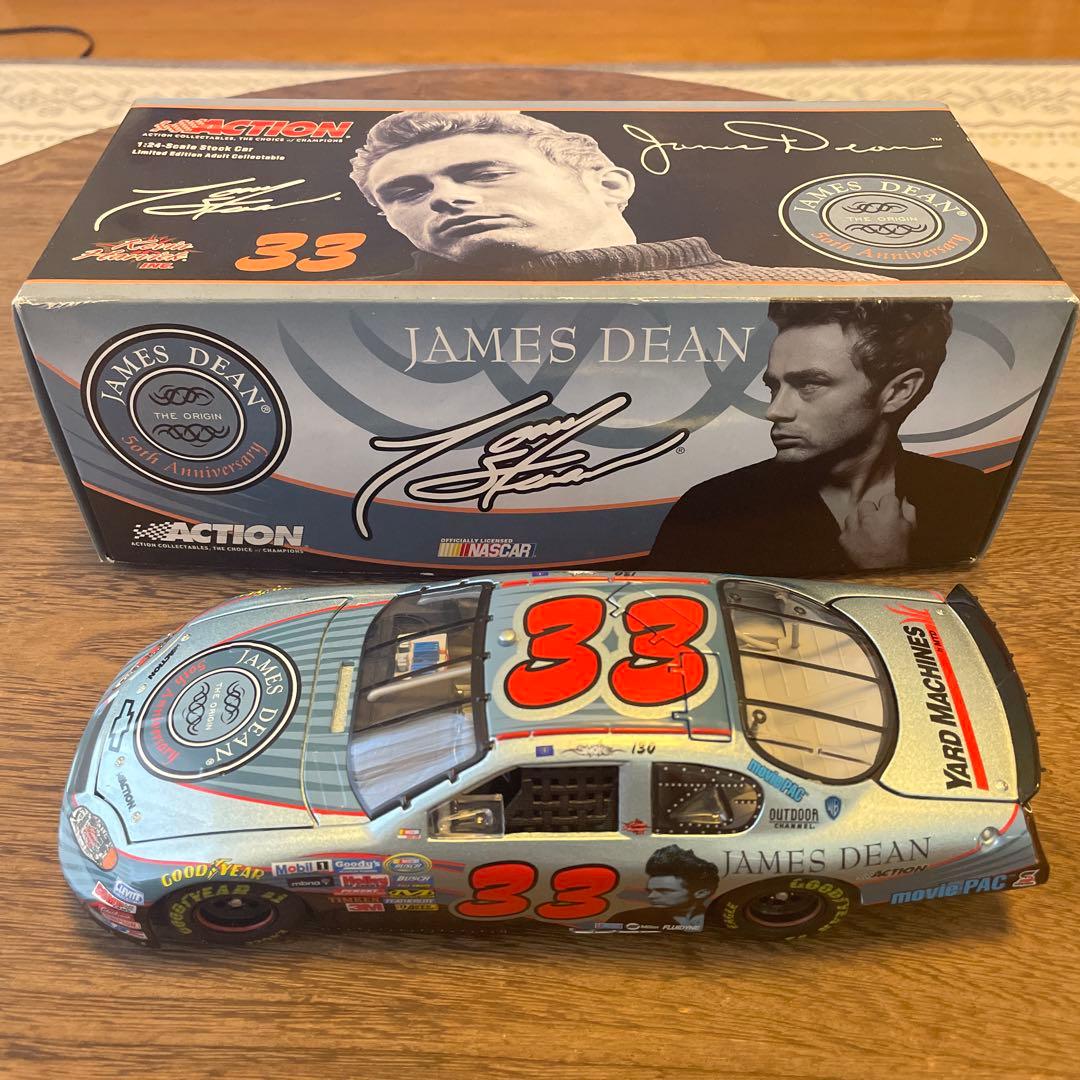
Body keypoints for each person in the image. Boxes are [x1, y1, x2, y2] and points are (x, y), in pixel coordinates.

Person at [649, 298, 1005, 573]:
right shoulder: (708, 512)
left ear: (898, 392)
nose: (775, 411)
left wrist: (887, 564)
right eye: (774, 386)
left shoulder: (970, 495)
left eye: (810, 384)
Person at [348, 110, 888, 283]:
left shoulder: (829, 292)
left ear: (609, 184)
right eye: (406, 192)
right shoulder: (345, 310)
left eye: (483, 174)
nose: (443, 198)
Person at [619, 844, 720, 930]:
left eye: (664, 891)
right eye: (650, 891)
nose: (651, 896)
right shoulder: (627, 919)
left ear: (701, 893)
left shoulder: (718, 919)